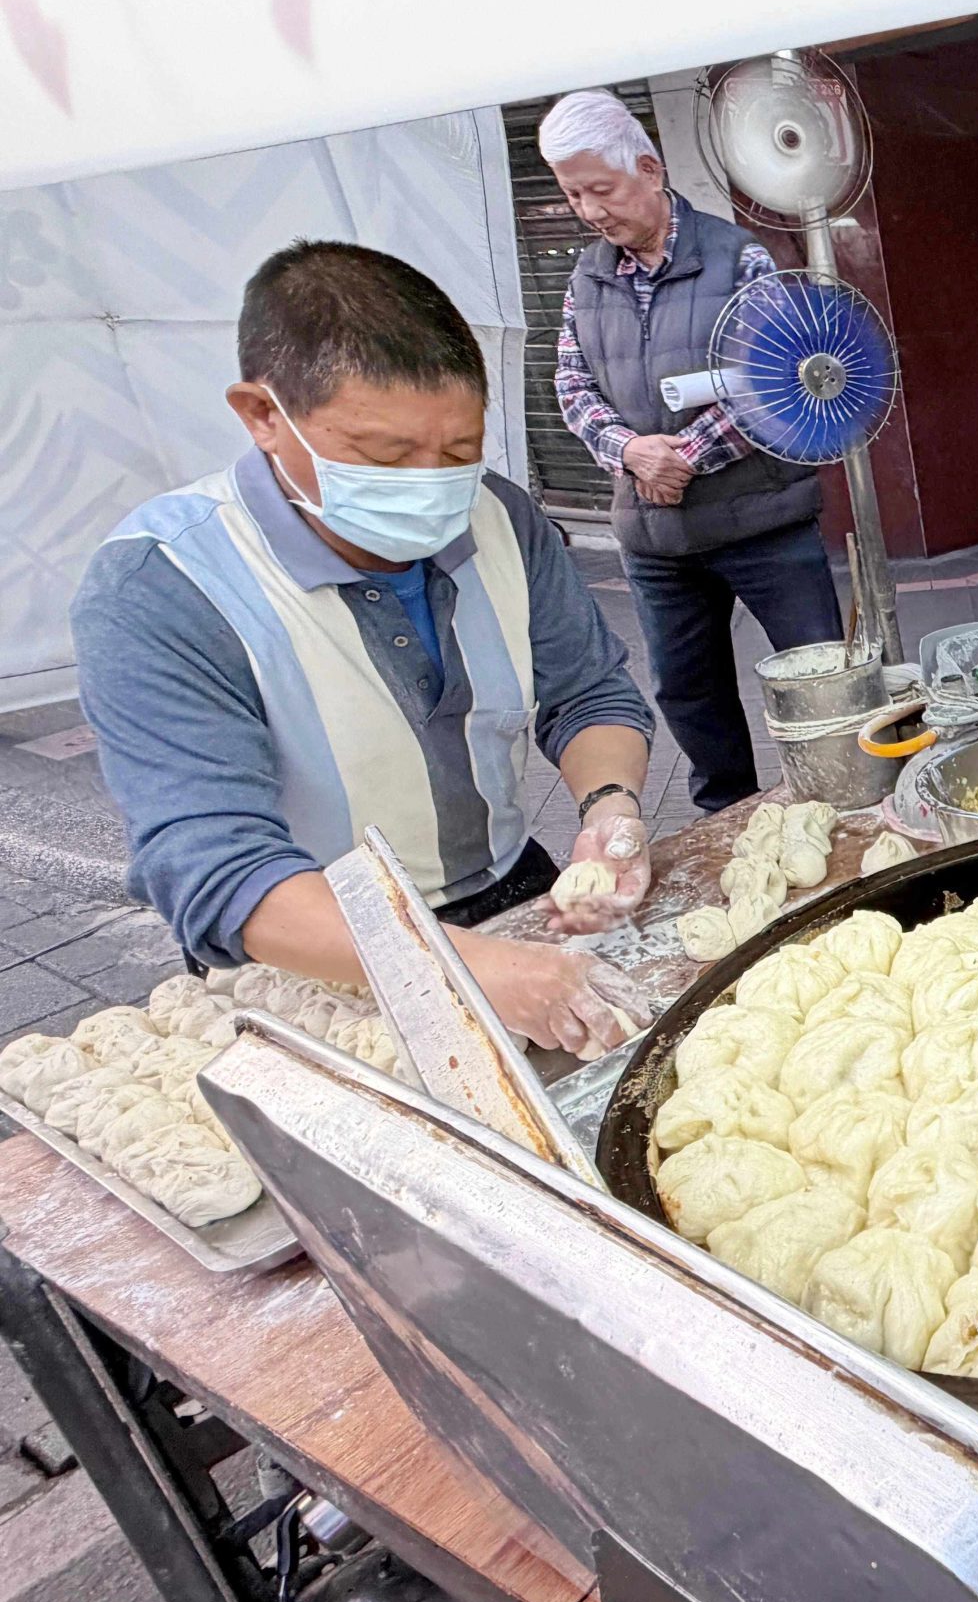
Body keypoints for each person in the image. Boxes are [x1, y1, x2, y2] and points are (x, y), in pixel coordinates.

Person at [72, 243, 654, 1056]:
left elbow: (587, 693)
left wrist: (609, 811)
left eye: (456, 452)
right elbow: (217, 870)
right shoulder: (163, 586)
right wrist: (469, 970)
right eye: (385, 458)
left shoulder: (498, 518)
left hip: (512, 894)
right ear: (262, 415)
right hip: (311, 965)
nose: (431, 485)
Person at [541, 89, 843, 813]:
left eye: (601, 190)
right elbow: (571, 382)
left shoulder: (738, 256)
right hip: (656, 535)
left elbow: (778, 377)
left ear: (649, 168)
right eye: (573, 195)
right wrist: (630, 453)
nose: (590, 211)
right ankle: (728, 816)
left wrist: (683, 459)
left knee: (820, 675)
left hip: (762, 520)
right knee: (687, 686)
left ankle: (844, 800)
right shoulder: (589, 277)